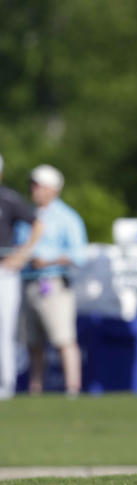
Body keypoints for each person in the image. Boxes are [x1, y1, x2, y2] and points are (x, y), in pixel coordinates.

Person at [18, 164, 87, 396]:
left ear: (52, 189)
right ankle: (35, 388)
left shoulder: (67, 218)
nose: (33, 190)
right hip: (27, 282)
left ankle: (72, 388)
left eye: (39, 186)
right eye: (33, 185)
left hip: (54, 283)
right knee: (33, 343)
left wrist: (48, 262)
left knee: (63, 338)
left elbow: (79, 255)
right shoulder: (27, 214)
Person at [0, 154, 44, 399]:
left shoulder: (8, 198)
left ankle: (5, 385)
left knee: (4, 329)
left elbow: (37, 224)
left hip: (4, 272)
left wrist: (21, 255)